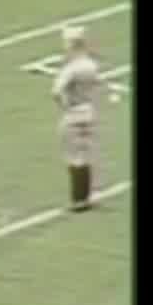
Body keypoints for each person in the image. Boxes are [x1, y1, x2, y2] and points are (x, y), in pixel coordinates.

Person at [51, 26, 103, 211]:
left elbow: (56, 92)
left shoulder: (71, 69)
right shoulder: (91, 65)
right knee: (86, 153)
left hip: (74, 113)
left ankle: (77, 200)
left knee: (74, 156)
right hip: (89, 111)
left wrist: (65, 106)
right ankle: (87, 196)